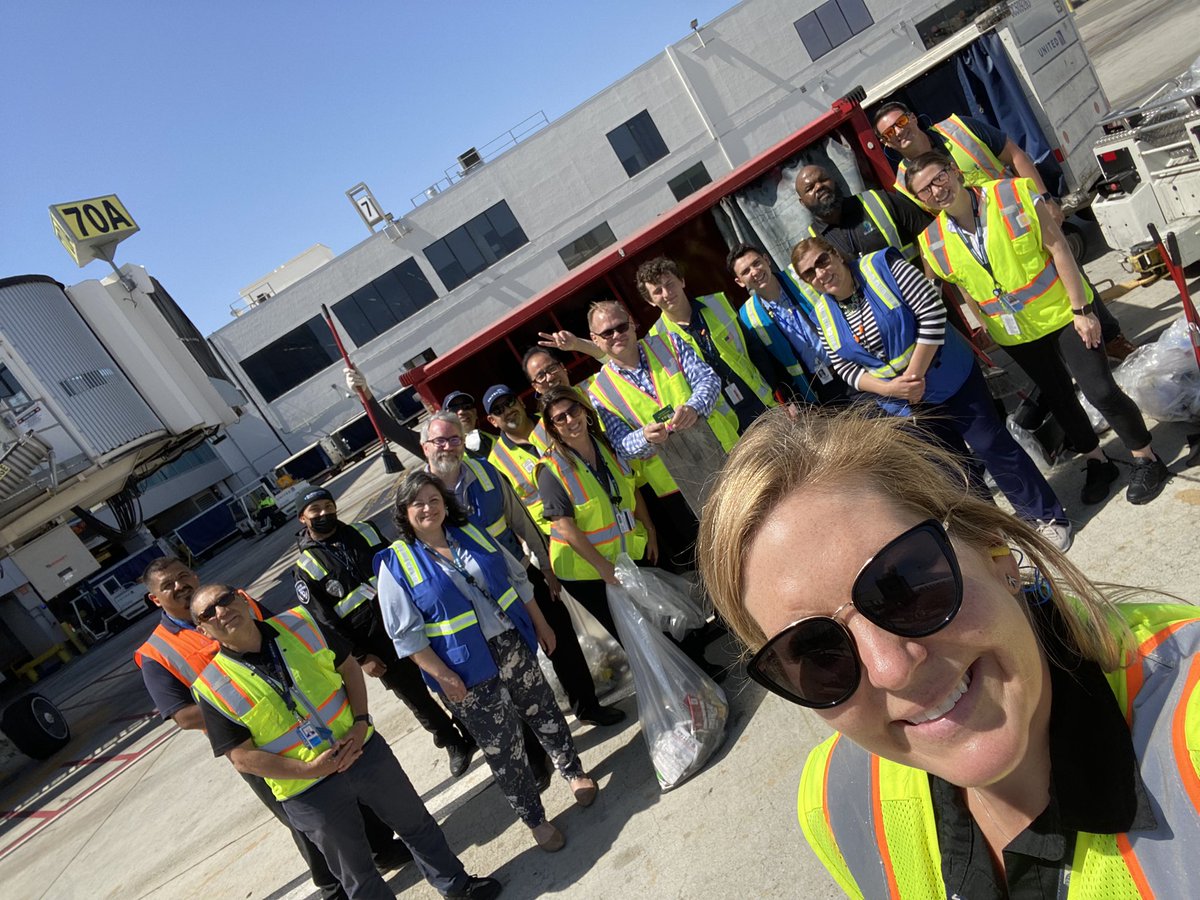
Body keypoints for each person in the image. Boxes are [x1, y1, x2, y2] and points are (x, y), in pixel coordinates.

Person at [697, 407, 1200, 898]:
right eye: (814, 650)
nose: (890, 668)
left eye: (905, 585)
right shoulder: (835, 801)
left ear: (994, 549)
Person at [188, 585, 499, 900]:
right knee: (356, 873)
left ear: (242, 599)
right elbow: (242, 758)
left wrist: (361, 722)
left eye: (224, 600)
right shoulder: (212, 687)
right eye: (208, 613)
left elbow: (349, 666)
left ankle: (458, 887)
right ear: (203, 630)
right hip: (309, 790)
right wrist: (309, 769)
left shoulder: (298, 623)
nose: (221, 612)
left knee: (416, 825)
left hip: (362, 750)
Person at [134, 558, 409, 900]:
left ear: (194, 574)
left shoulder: (236, 601)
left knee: (350, 781)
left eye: (182, 576)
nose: (179, 585)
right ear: (156, 600)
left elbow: (282, 631)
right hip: (257, 743)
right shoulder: (156, 652)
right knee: (305, 818)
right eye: (167, 586)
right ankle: (332, 885)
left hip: (314, 717)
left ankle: (383, 849)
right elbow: (182, 715)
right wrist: (241, 712)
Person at [908, 151, 1172, 505]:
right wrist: (984, 325)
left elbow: (1059, 247)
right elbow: (963, 288)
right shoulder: (932, 241)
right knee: (1061, 399)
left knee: (1100, 390)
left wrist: (1083, 309)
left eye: (938, 178)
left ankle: (1146, 457)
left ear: (955, 172)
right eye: (923, 190)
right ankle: (1097, 461)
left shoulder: (1011, 194)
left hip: (1064, 313)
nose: (935, 191)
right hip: (1016, 334)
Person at [790, 236, 1072, 549]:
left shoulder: (881, 266)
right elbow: (845, 368)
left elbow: (933, 311)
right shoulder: (822, 314)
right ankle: (990, 537)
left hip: (949, 375)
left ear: (835, 254)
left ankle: (1045, 517)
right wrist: (889, 388)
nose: (820, 273)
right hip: (906, 404)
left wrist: (913, 375)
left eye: (822, 261)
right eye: (809, 273)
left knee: (993, 446)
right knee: (953, 471)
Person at [375, 471, 599, 852]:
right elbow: (405, 637)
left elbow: (518, 580)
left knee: (544, 712)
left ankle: (573, 772)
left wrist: (541, 624)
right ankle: (535, 819)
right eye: (418, 504)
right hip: (463, 672)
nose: (428, 508)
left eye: (434, 499)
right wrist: (442, 676)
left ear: (445, 504)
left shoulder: (473, 533)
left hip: (511, 644)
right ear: (404, 513)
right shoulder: (395, 565)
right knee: (503, 749)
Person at [872, 100, 1137, 361]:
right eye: (888, 133)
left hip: (1022, 223)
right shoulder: (904, 184)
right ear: (885, 143)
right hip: (984, 247)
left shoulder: (958, 129)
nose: (898, 132)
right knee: (1025, 305)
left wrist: (1044, 198)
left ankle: (1110, 338)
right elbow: (930, 233)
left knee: (1072, 277)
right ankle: (1069, 360)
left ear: (913, 118)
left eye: (901, 122)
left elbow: (1014, 154)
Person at [421, 410, 624, 727]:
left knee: (560, 638)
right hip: (473, 595)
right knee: (506, 664)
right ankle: (537, 737)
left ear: (463, 443)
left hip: (519, 574)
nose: (447, 446)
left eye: (454, 439)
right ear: (426, 447)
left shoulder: (487, 473)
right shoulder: (418, 496)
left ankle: (587, 707)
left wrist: (546, 566)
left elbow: (522, 522)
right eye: (440, 440)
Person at [293, 487, 478, 777]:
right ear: (303, 518)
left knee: (444, 677)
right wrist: (361, 656)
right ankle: (453, 743)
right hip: (375, 646)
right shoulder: (306, 568)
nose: (324, 513)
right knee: (417, 699)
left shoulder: (364, 531)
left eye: (328, 506)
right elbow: (325, 623)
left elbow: (401, 565)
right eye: (315, 510)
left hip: (410, 625)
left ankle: (474, 728)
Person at [585, 298, 723, 572]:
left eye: (621, 326)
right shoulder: (599, 391)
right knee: (716, 562)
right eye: (607, 333)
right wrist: (645, 437)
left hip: (720, 459)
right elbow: (621, 444)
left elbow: (708, 379)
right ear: (595, 340)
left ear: (633, 324)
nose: (616, 335)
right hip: (676, 488)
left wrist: (695, 408)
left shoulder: (668, 343)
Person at [534, 384, 657, 644]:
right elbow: (565, 527)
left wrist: (651, 530)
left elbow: (631, 487)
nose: (570, 420)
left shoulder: (606, 445)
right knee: (633, 638)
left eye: (573, 410)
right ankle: (672, 684)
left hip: (622, 557)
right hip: (586, 573)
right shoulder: (551, 469)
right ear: (553, 427)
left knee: (655, 623)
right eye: (560, 418)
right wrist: (603, 568)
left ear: (584, 410)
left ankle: (688, 678)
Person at [635, 256, 780, 435]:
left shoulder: (717, 303)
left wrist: (775, 390)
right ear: (650, 300)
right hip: (726, 427)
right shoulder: (655, 341)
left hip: (762, 403)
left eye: (669, 284)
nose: (666, 293)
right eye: (657, 291)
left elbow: (753, 346)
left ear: (682, 281)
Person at [728, 243, 850, 406]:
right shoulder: (747, 315)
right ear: (740, 282)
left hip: (850, 363)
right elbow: (771, 364)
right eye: (746, 271)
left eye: (756, 263)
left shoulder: (800, 277)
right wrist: (791, 400)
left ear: (766, 260)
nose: (755, 272)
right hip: (818, 390)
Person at [795, 164, 930, 263]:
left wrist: (933, 282)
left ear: (835, 181)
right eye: (810, 188)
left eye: (823, 179)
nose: (819, 186)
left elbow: (929, 234)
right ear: (802, 202)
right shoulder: (814, 242)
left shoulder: (878, 200)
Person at [442, 391, 495, 459]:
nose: (461, 412)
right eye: (454, 409)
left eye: (466, 406)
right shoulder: (449, 457)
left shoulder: (495, 440)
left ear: (475, 413)